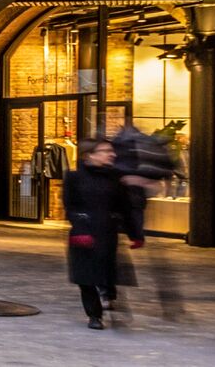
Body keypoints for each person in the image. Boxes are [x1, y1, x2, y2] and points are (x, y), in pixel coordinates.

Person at [64, 136, 143, 330]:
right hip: (82, 234)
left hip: (107, 233)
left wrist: (135, 234)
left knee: (106, 271)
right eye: (106, 151)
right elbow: (70, 207)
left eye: (111, 151)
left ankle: (109, 294)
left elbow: (126, 208)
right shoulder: (74, 178)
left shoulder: (115, 179)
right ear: (90, 155)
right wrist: (81, 224)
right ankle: (94, 315)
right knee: (85, 277)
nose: (112, 154)